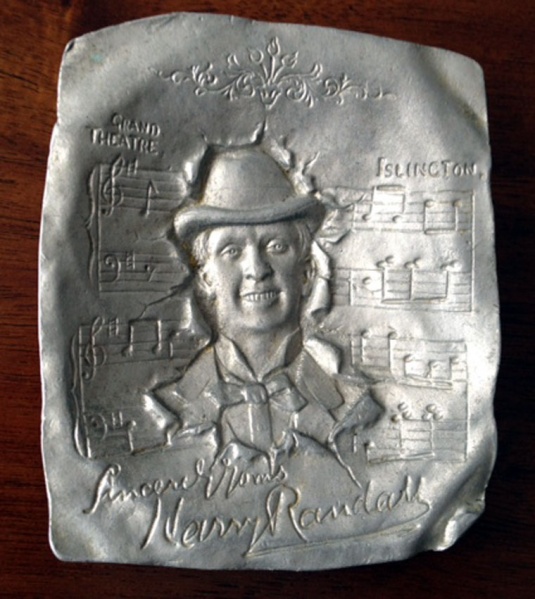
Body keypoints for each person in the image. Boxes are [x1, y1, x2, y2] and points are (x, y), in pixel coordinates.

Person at [152, 145, 382, 467]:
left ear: (306, 273)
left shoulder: (354, 408)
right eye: (232, 251)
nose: (257, 269)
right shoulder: (168, 408)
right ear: (205, 278)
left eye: (276, 246)